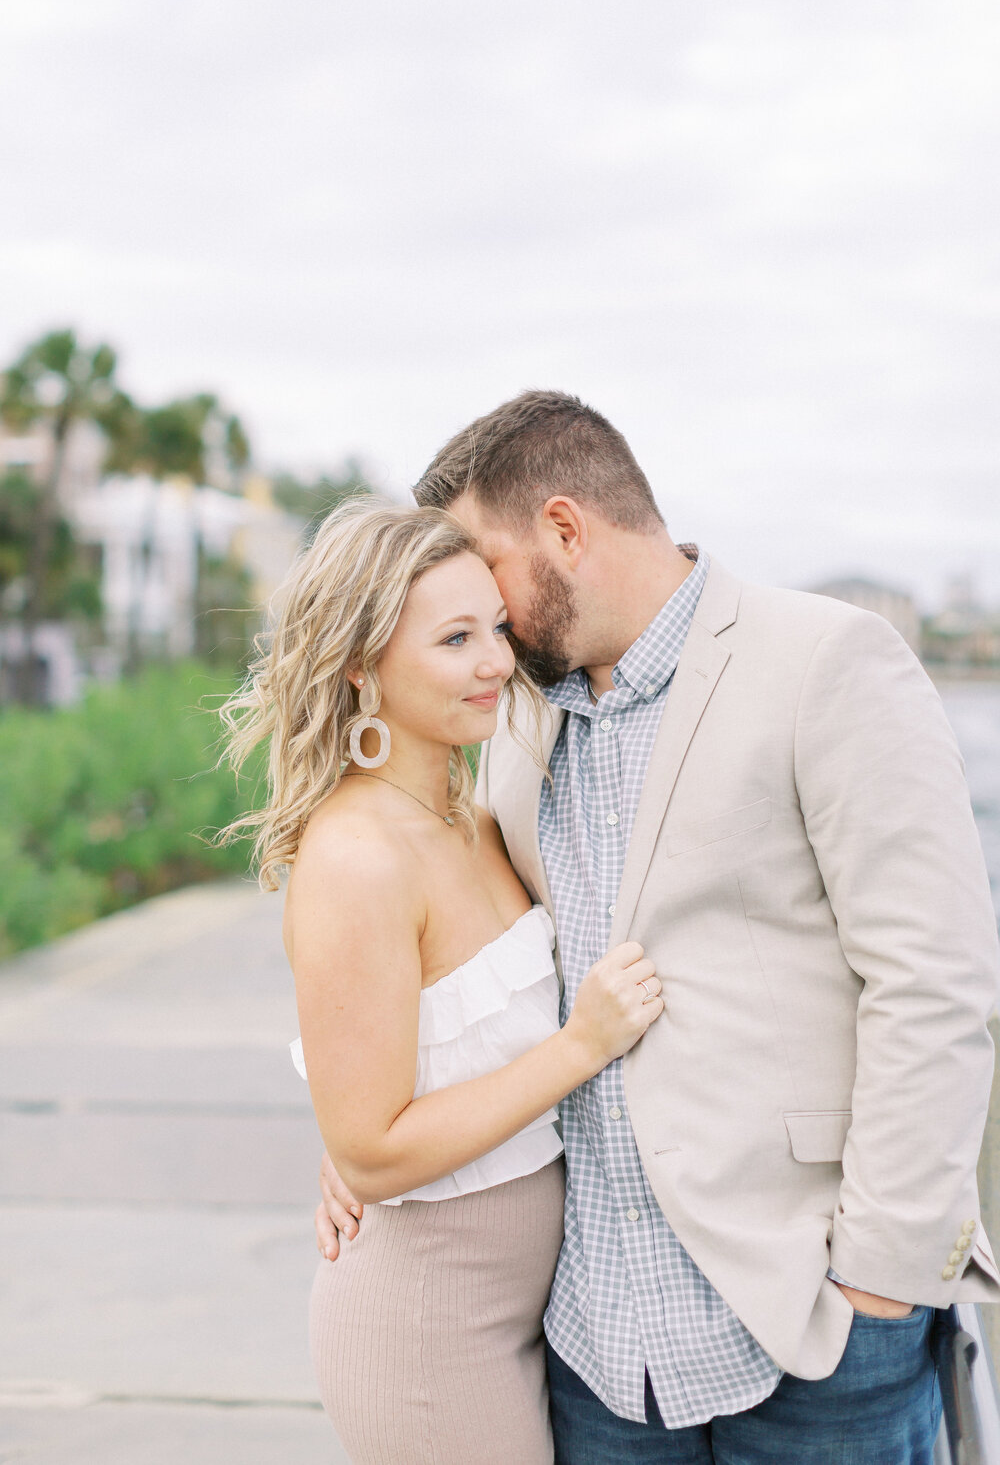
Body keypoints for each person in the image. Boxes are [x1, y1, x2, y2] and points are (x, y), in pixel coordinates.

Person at [317, 390, 1000, 1464]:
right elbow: (457, 968)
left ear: (562, 531)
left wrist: (879, 1281)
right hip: (596, 1346)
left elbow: (937, 983)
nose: (475, 616)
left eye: (480, 564)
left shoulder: (828, 660)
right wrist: (369, 1127)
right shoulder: (512, 717)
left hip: (811, 1329)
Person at [216, 496, 664, 1465]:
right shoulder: (357, 857)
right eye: (454, 639)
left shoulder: (471, 811)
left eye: (495, 629)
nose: (497, 664)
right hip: (427, 1331)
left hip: (527, 1316)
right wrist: (579, 1048)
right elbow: (373, 1151)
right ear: (357, 663)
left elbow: (410, 1077)